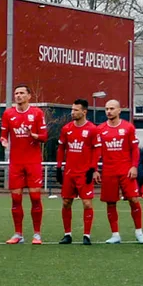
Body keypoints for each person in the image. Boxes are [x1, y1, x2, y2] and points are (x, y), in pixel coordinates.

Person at [0, 84, 48, 244]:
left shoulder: (37, 113)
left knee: (35, 197)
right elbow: (3, 134)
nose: (18, 96)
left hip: (33, 162)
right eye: (16, 93)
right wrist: (4, 141)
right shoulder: (8, 113)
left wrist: (34, 135)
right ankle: (18, 234)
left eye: (21, 93)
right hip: (16, 162)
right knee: (16, 199)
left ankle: (37, 234)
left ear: (29, 96)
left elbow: (44, 136)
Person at [94, 98, 143, 243]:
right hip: (108, 170)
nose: (109, 112)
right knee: (111, 202)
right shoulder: (100, 129)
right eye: (106, 109)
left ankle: (139, 232)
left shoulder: (128, 127)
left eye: (111, 109)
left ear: (119, 110)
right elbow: (96, 152)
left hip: (126, 169)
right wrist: (95, 169)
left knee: (133, 199)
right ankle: (115, 235)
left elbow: (134, 149)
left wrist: (134, 166)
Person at [55, 99, 99, 245]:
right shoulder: (66, 129)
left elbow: (97, 150)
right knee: (66, 202)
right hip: (69, 172)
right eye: (72, 109)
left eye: (75, 110)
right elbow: (61, 148)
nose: (72, 112)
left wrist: (92, 169)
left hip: (84, 172)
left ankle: (87, 235)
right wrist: (59, 167)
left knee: (87, 203)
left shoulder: (92, 129)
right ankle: (67, 234)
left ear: (84, 112)